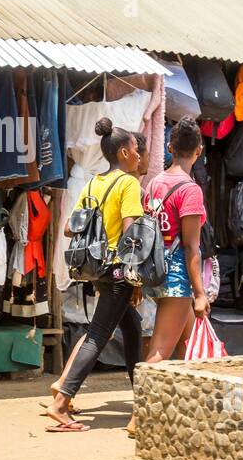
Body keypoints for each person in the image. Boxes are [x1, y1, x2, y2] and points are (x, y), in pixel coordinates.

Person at [46, 118, 143, 433]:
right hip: (117, 271)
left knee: (132, 324)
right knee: (98, 335)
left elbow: (68, 227)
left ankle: (141, 395)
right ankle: (61, 401)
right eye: (136, 149)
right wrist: (136, 276)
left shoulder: (92, 183)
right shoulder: (129, 184)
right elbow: (132, 235)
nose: (140, 155)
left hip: (97, 269)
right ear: (125, 153)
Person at [126, 117, 210, 435]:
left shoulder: (155, 183)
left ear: (170, 148)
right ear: (199, 151)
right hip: (177, 278)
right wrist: (200, 292)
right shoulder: (190, 191)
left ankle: (190, 412)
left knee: (189, 345)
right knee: (160, 351)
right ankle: (139, 417)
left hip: (155, 272)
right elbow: (191, 248)